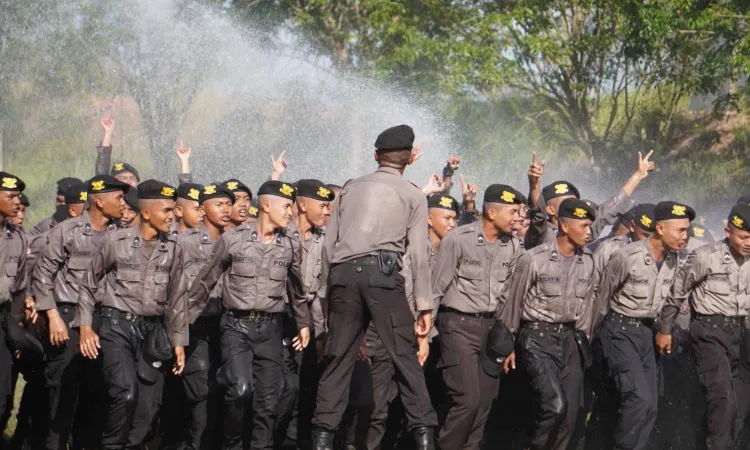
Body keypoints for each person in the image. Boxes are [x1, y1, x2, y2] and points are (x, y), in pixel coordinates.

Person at [311, 125, 437, 450]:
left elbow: (328, 246)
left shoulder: (350, 188)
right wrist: (424, 305)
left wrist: (327, 294)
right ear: (409, 158)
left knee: (337, 362)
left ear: (375, 155)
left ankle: (322, 441)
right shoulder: (413, 195)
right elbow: (419, 255)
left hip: (343, 276)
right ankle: (424, 438)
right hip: (383, 278)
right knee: (406, 360)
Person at [188, 180, 310, 450]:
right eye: (287, 206)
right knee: (241, 390)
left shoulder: (289, 245)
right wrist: (183, 323)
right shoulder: (234, 239)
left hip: (270, 329)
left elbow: (297, 290)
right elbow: (205, 281)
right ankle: (231, 444)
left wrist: (303, 323)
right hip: (236, 327)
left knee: (268, 403)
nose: (291, 212)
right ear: (266, 206)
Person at [75, 180, 187, 449]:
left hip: (152, 333)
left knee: (148, 409)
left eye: (173, 211)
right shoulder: (117, 241)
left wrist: (179, 341)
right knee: (125, 394)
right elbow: (88, 285)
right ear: (146, 213)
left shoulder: (174, 247)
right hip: (117, 329)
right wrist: (85, 327)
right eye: (167, 211)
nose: (172, 216)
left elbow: (177, 298)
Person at [30, 175, 128, 450]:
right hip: (66, 318)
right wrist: (52, 318)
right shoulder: (67, 231)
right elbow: (42, 275)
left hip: (103, 321)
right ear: (99, 200)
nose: (123, 204)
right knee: (63, 396)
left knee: (97, 394)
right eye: (118, 198)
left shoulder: (118, 234)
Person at [430, 183, 525, 450]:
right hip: (456, 325)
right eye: (512, 211)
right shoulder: (458, 240)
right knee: (467, 400)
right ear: (492, 213)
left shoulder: (514, 247)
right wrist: (424, 335)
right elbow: (437, 288)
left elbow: (508, 300)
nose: (517, 217)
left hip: (491, 330)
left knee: (483, 404)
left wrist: (507, 342)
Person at [594, 201, 694, 450]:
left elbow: (673, 300)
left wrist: (665, 331)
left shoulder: (676, 261)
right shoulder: (627, 257)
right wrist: (590, 341)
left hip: (647, 335)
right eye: (680, 230)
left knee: (650, 406)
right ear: (660, 228)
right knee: (637, 399)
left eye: (687, 230)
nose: (685, 236)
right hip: (619, 330)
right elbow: (600, 301)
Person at [501, 198, 598, 450]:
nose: (590, 232)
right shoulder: (534, 259)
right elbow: (513, 302)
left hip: (569, 340)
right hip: (536, 337)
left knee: (571, 416)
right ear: (565, 226)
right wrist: (507, 344)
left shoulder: (588, 261)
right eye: (585, 225)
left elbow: (588, 305)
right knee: (554, 406)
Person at [656, 203, 750, 450]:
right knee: (723, 401)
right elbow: (676, 294)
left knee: (738, 409)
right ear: (728, 232)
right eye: (743, 236)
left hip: (741, 335)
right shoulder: (705, 256)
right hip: (709, 333)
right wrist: (665, 330)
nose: (748, 242)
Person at [172, 182, 235, 450]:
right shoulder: (184, 243)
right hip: (195, 327)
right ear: (202, 209)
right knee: (200, 395)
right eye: (218, 204)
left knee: (225, 394)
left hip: (228, 327)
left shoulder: (236, 241)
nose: (225, 209)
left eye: (228, 204)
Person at [275, 179, 335, 449]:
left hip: (307, 320)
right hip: (277, 319)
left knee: (304, 385)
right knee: (282, 389)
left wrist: (319, 333)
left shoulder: (325, 242)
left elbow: (319, 293)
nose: (327, 212)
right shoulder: (280, 234)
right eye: (322, 206)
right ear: (302, 205)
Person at [524, 151, 655, 250]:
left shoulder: (582, 231)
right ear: (550, 209)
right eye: (567, 203)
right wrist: (534, 183)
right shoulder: (542, 233)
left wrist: (638, 175)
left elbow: (612, 206)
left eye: (576, 202)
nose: (575, 206)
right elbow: (538, 213)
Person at [0, 172, 29, 432]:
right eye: (10, 196)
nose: (17, 202)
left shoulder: (18, 239)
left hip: (2, 321)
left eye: (18, 196)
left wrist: (16, 332)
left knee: (3, 396)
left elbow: (19, 289)